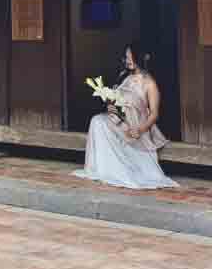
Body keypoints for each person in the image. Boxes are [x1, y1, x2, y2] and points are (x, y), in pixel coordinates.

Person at [74, 43, 178, 190]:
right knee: (97, 121)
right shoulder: (126, 77)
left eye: (131, 57)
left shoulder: (150, 83)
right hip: (121, 122)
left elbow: (154, 114)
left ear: (139, 58)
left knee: (100, 122)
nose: (127, 60)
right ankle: (105, 168)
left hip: (137, 125)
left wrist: (140, 130)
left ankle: (127, 171)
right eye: (127, 57)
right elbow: (118, 102)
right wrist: (112, 107)